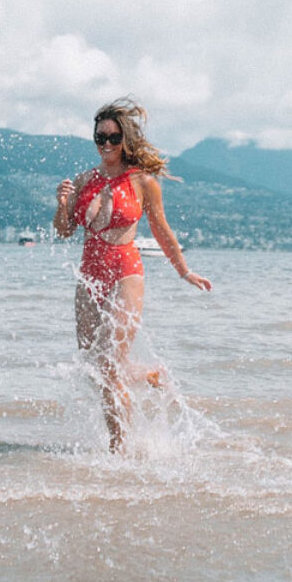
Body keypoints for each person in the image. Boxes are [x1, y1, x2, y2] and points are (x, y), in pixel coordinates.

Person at [53, 97, 211, 452]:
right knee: (94, 366)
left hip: (126, 272)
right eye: (100, 138)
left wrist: (183, 271)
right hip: (89, 277)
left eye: (112, 138)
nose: (106, 145)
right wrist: (62, 204)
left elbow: (162, 230)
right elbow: (64, 231)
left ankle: (118, 450)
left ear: (125, 140)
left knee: (109, 367)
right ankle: (150, 374)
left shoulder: (142, 181)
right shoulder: (83, 181)